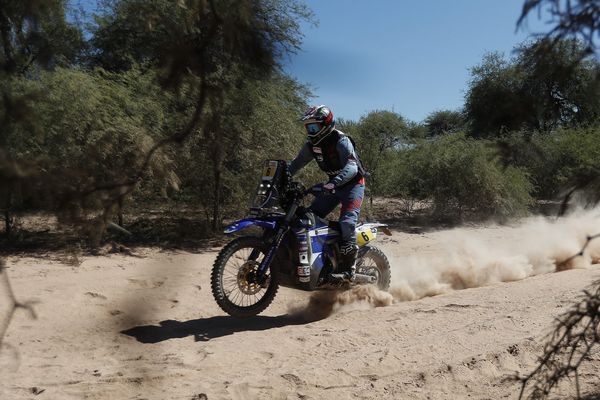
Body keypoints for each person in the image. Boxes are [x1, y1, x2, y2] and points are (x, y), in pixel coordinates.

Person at [289, 105, 366, 282]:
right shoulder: (311, 145)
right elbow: (297, 163)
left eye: (314, 127)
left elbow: (352, 167)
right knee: (310, 217)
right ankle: (325, 259)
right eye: (308, 127)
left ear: (326, 124)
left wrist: (334, 183)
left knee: (346, 222)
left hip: (353, 186)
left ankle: (349, 269)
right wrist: (281, 176)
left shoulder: (341, 140)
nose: (310, 131)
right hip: (332, 186)